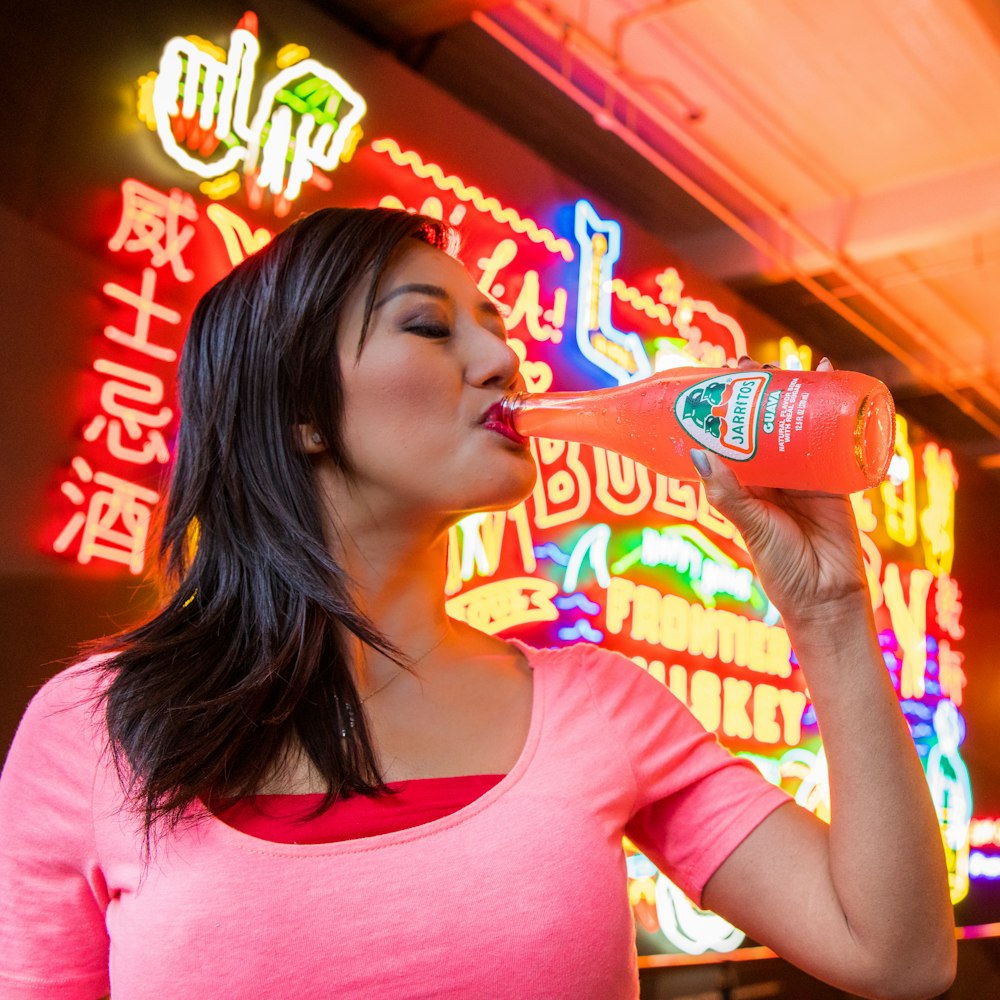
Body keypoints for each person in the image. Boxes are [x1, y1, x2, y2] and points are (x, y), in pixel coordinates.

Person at [0, 207, 955, 999]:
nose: (503, 361)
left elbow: (897, 957)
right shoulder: (93, 733)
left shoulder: (599, 705)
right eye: (428, 326)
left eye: (496, 326)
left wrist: (829, 614)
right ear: (297, 409)